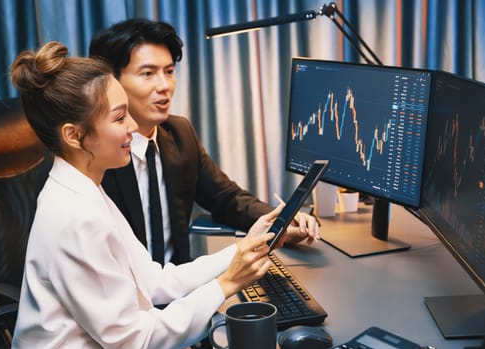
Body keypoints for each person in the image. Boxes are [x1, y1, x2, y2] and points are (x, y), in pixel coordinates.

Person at [10, 41, 283, 349]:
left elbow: (154, 281)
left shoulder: (85, 189)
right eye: (119, 117)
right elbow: (134, 341)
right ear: (74, 135)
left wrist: (242, 249)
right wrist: (228, 283)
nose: (132, 126)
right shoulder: (75, 217)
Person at [89, 18, 319, 265]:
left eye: (169, 71)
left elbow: (226, 197)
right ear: (110, 81)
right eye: (147, 74)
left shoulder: (178, 133)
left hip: (179, 288)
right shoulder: (94, 152)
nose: (164, 86)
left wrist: (281, 222)